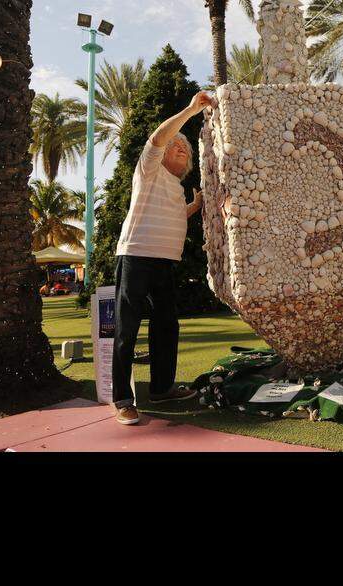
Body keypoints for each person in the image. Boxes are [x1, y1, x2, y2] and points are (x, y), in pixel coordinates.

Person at [111, 91, 212, 425]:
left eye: (186, 149)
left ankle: (161, 388)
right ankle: (123, 400)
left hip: (165, 262)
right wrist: (190, 110)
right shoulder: (148, 169)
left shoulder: (177, 188)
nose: (181, 148)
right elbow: (157, 138)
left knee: (166, 325)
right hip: (136, 256)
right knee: (127, 330)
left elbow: (173, 216)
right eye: (176, 144)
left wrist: (194, 207)